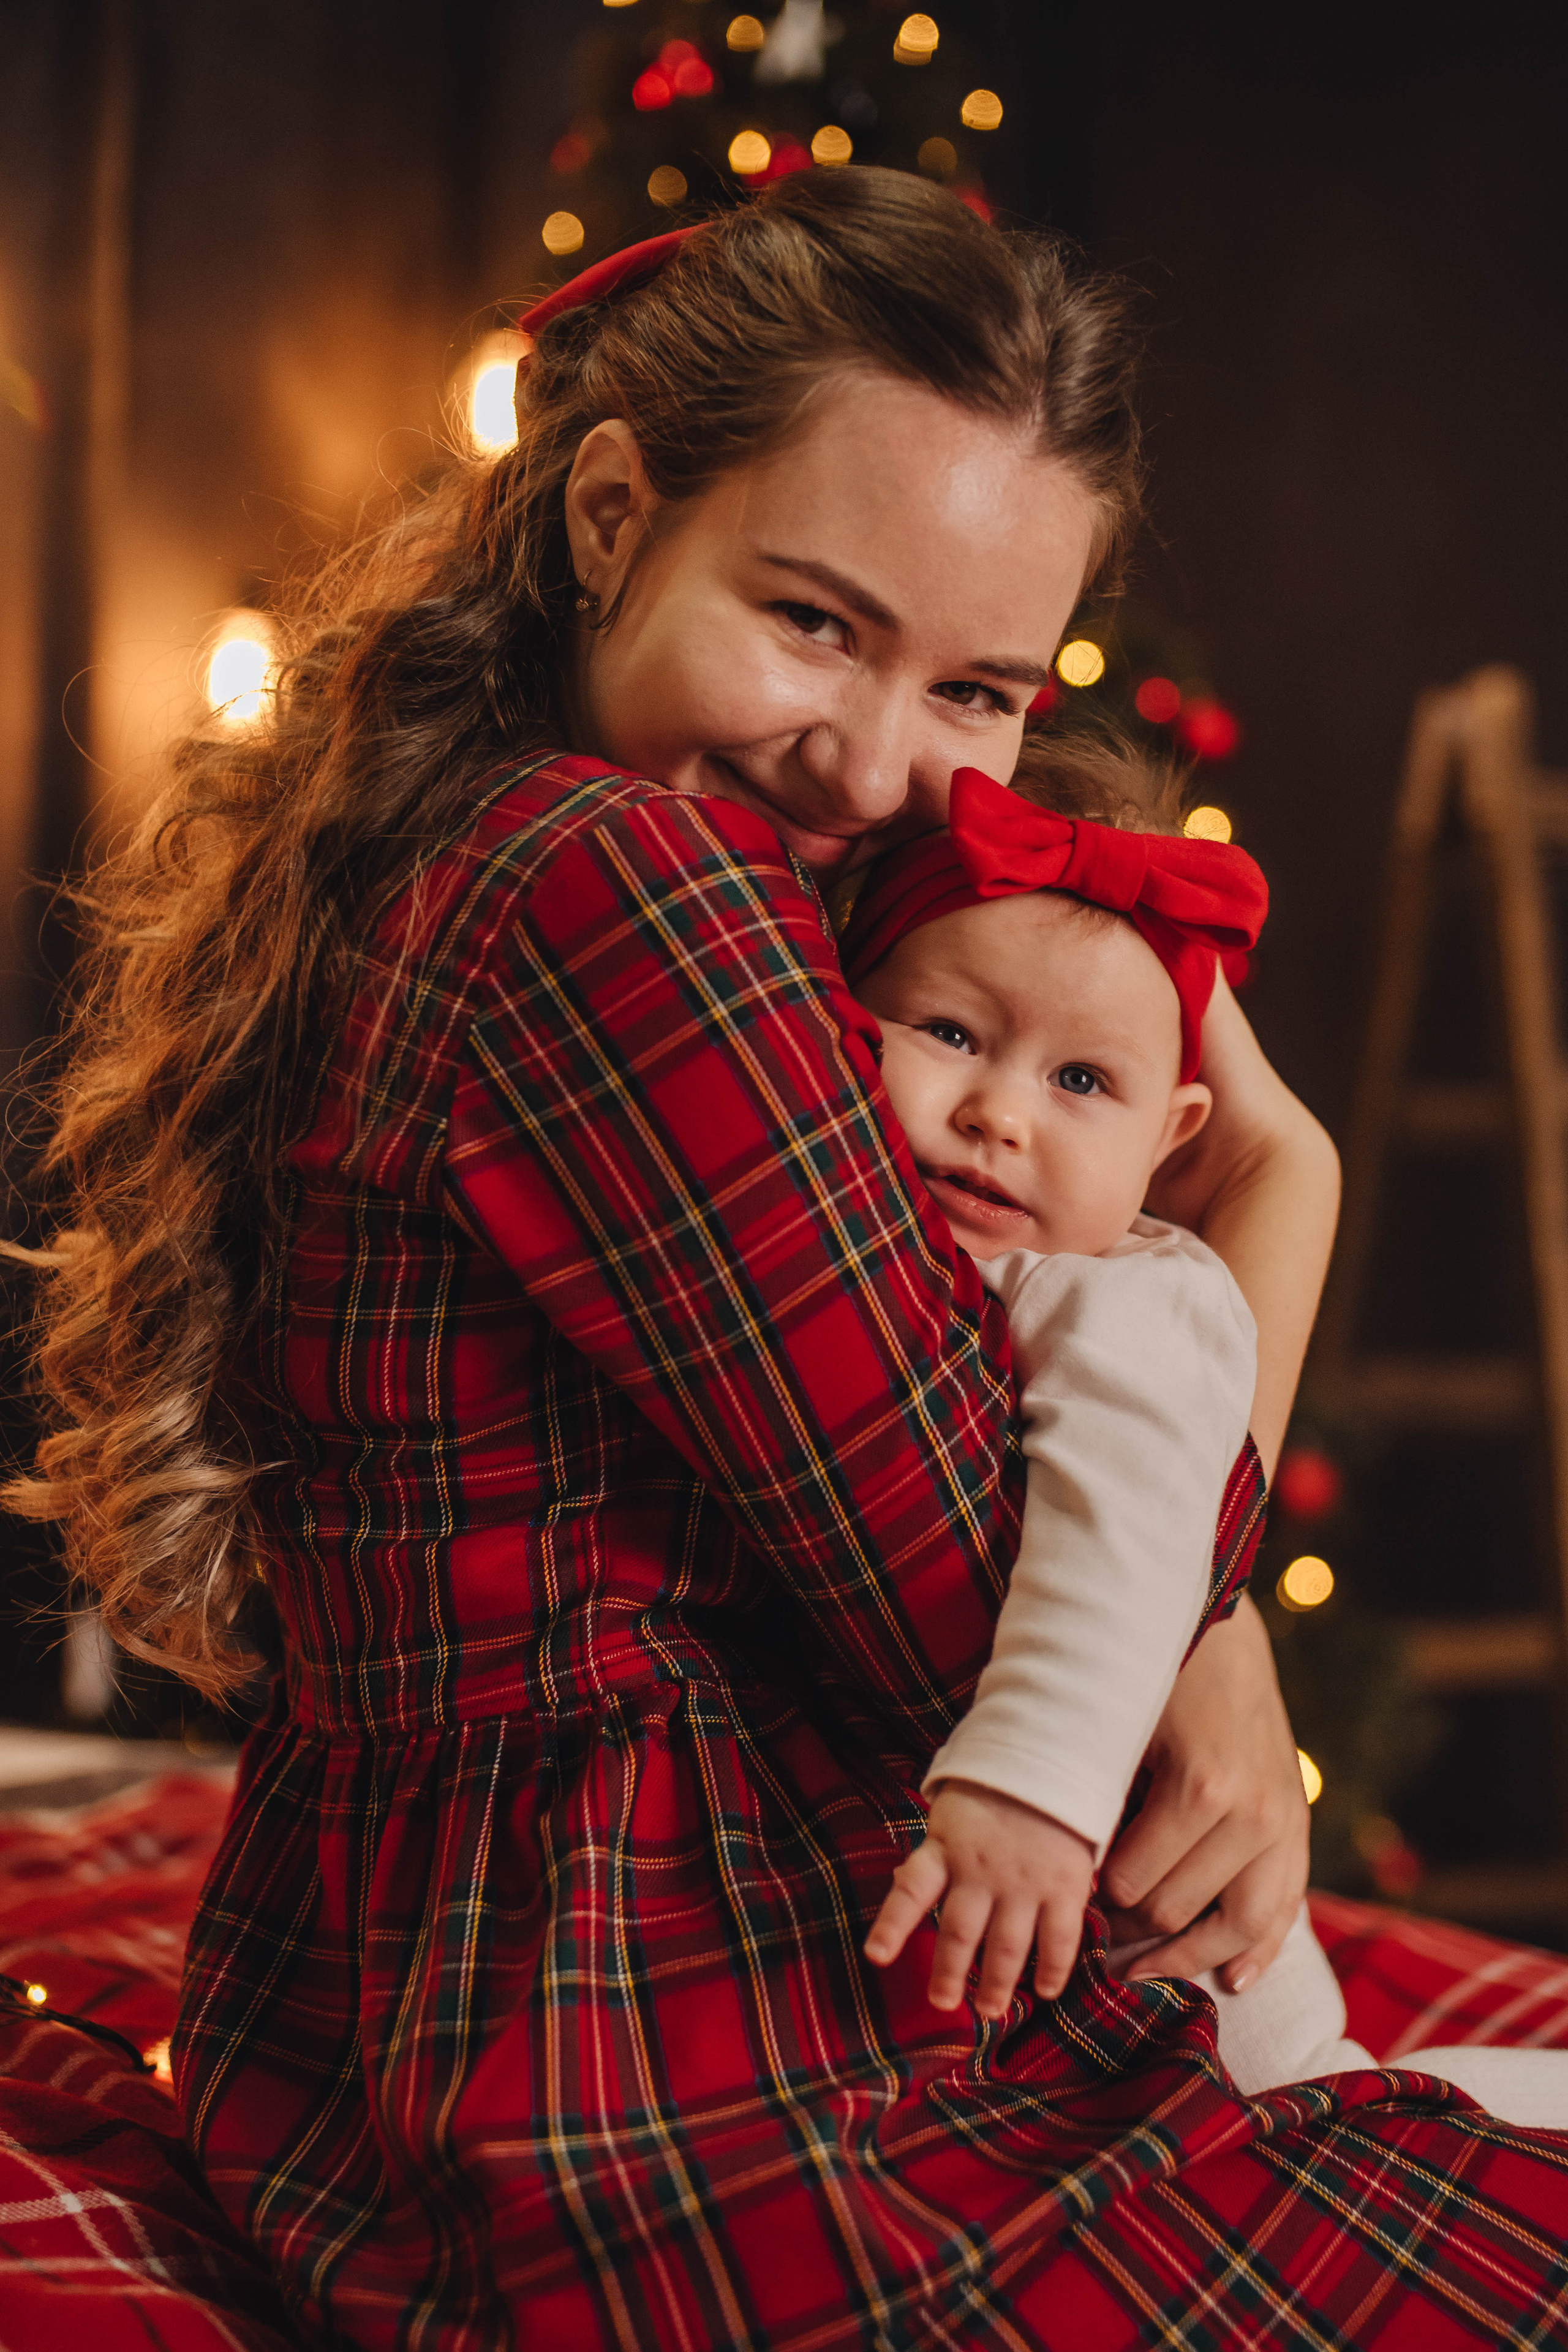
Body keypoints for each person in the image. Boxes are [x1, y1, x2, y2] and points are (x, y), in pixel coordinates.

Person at [12, 171, 1568, 2348]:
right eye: (815, 620)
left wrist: (1188, 1533)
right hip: (648, 2083)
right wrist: (1273, 1208)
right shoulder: (625, 890)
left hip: (430, 2041)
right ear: (611, 513)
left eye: (983, 690)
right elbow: (971, 1589)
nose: (873, 765)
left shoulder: (526, 835)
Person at [848, 759, 1568, 2131]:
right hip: (1050, 1937)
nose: (1000, 1112)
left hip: (1178, 1947)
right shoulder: (916, 1262)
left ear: (1171, 1136)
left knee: (1339, 2116)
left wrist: (1035, 1787)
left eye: (1078, 1081)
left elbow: (1127, 1536)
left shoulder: (1127, 1291)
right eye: (945, 1032)